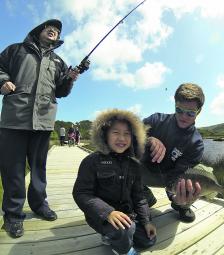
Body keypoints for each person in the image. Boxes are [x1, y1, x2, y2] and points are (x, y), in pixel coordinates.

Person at [0, 19, 81, 238]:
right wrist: (3, 81)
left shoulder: (58, 61)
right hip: (14, 119)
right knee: (13, 170)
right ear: (40, 31)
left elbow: (62, 91)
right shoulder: (15, 50)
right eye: (50, 27)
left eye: (58, 30)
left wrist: (70, 79)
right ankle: (13, 215)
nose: (54, 29)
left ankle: (38, 205)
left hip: (44, 121)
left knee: (38, 168)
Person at [73, 109, 157, 255]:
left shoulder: (134, 165)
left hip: (127, 214)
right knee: (125, 230)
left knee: (148, 240)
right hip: (100, 216)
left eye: (127, 134)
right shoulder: (91, 161)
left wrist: (146, 221)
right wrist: (108, 213)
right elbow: (81, 193)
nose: (121, 138)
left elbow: (139, 196)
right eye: (115, 132)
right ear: (104, 134)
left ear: (134, 137)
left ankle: (120, 235)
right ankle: (120, 247)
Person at [141, 83, 204, 223]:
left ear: (198, 111)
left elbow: (180, 174)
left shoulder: (196, 143)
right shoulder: (156, 120)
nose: (183, 116)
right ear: (175, 104)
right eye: (179, 110)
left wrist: (176, 198)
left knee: (197, 175)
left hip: (173, 177)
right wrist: (148, 139)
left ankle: (181, 206)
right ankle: (144, 196)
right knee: (120, 159)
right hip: (145, 172)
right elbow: (128, 134)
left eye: (190, 113)